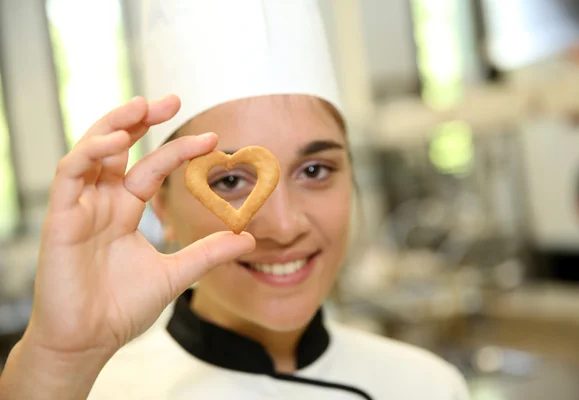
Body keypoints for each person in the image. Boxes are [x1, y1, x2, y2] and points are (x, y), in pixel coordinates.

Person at [0, 1, 470, 399]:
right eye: (227, 181)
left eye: (315, 170)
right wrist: (58, 360)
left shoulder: (429, 385)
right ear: (162, 208)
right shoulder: (91, 391)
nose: (284, 227)